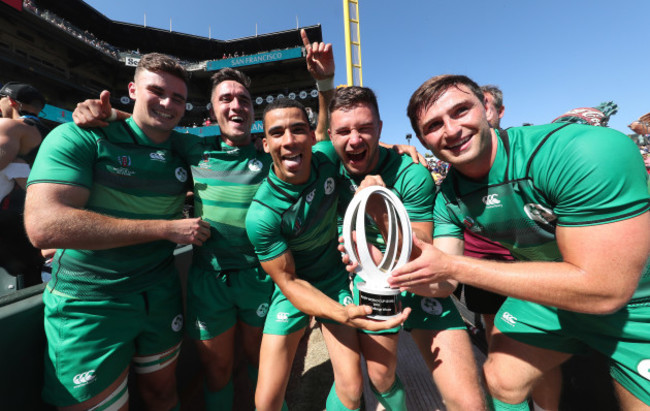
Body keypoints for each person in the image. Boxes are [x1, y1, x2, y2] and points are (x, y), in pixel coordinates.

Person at [392, 74, 650, 410]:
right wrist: (399, 265)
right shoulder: (449, 198)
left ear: (487, 108)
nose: (451, 130)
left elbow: (606, 290)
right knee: (502, 381)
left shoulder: (578, 152)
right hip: (550, 295)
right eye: (434, 125)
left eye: (460, 111)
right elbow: (444, 282)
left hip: (635, 302)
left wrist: (452, 265)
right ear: (425, 141)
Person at [25, 53, 211, 410]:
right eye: (156, 91)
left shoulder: (179, 147)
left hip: (160, 291)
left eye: (178, 98)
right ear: (132, 90)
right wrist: (165, 229)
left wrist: (115, 114)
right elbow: (44, 227)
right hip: (90, 302)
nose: (168, 103)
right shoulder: (78, 136)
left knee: (162, 394)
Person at [246, 98, 409, 411]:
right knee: (265, 402)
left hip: (334, 280)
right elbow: (289, 281)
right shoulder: (261, 214)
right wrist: (342, 314)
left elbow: (358, 142)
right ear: (265, 144)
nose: (289, 141)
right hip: (293, 287)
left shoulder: (325, 156)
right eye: (278, 133)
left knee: (351, 388)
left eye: (297, 130)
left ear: (311, 136)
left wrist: (400, 149)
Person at [329, 86, 486, 411]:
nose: (354, 139)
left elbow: (421, 255)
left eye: (365, 129)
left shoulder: (412, 175)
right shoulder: (328, 164)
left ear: (380, 129)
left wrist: (380, 211)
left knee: (468, 403)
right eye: (344, 131)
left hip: (419, 282)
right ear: (331, 136)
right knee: (381, 378)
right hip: (372, 283)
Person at [0, 82, 48, 286]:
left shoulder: (9, 126)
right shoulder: (50, 132)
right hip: (35, 217)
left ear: (10, 101)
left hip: (7, 221)